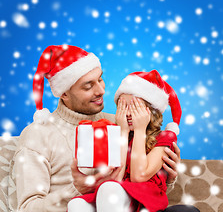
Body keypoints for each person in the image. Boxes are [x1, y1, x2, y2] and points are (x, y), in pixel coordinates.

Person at [14, 45, 198, 212]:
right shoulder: (37, 135)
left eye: (100, 79)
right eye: (88, 86)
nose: (101, 90)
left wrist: (166, 174)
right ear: (64, 94)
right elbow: (27, 208)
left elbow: (139, 181)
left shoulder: (121, 122)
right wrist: (76, 190)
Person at [67, 70, 185, 212]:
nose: (128, 113)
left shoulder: (165, 137)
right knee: (76, 204)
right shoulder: (116, 135)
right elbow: (116, 178)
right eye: (122, 107)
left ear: (151, 111)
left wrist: (140, 130)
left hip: (144, 198)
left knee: (109, 188)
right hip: (118, 195)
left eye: (135, 107)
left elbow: (139, 176)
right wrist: (123, 131)